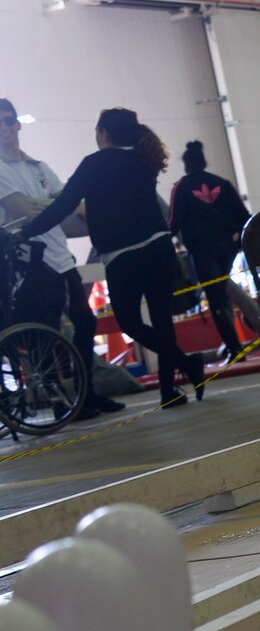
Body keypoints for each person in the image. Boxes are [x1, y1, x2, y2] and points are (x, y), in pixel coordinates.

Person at [22, 109, 204, 408]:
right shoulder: (144, 159)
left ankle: (186, 367)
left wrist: (27, 231)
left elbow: (62, 207)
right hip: (159, 248)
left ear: (104, 133)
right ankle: (169, 391)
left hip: (123, 256)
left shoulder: (94, 164)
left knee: (131, 323)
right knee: (162, 321)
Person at [0, 100, 120, 419]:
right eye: (0, 123)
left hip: (59, 253)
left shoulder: (37, 166)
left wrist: (61, 203)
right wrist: (59, 204)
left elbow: (66, 199)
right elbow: (21, 209)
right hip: (29, 260)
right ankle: (59, 402)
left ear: (18, 124)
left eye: (10, 121)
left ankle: (86, 392)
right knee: (46, 330)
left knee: (85, 322)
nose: (7, 128)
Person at [167, 141, 247, 362]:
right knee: (222, 292)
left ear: (186, 165)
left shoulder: (181, 188)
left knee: (215, 298)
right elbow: (244, 217)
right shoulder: (223, 183)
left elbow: (173, 223)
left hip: (203, 250)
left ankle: (234, 349)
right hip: (227, 247)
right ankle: (232, 344)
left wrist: (161, 243)